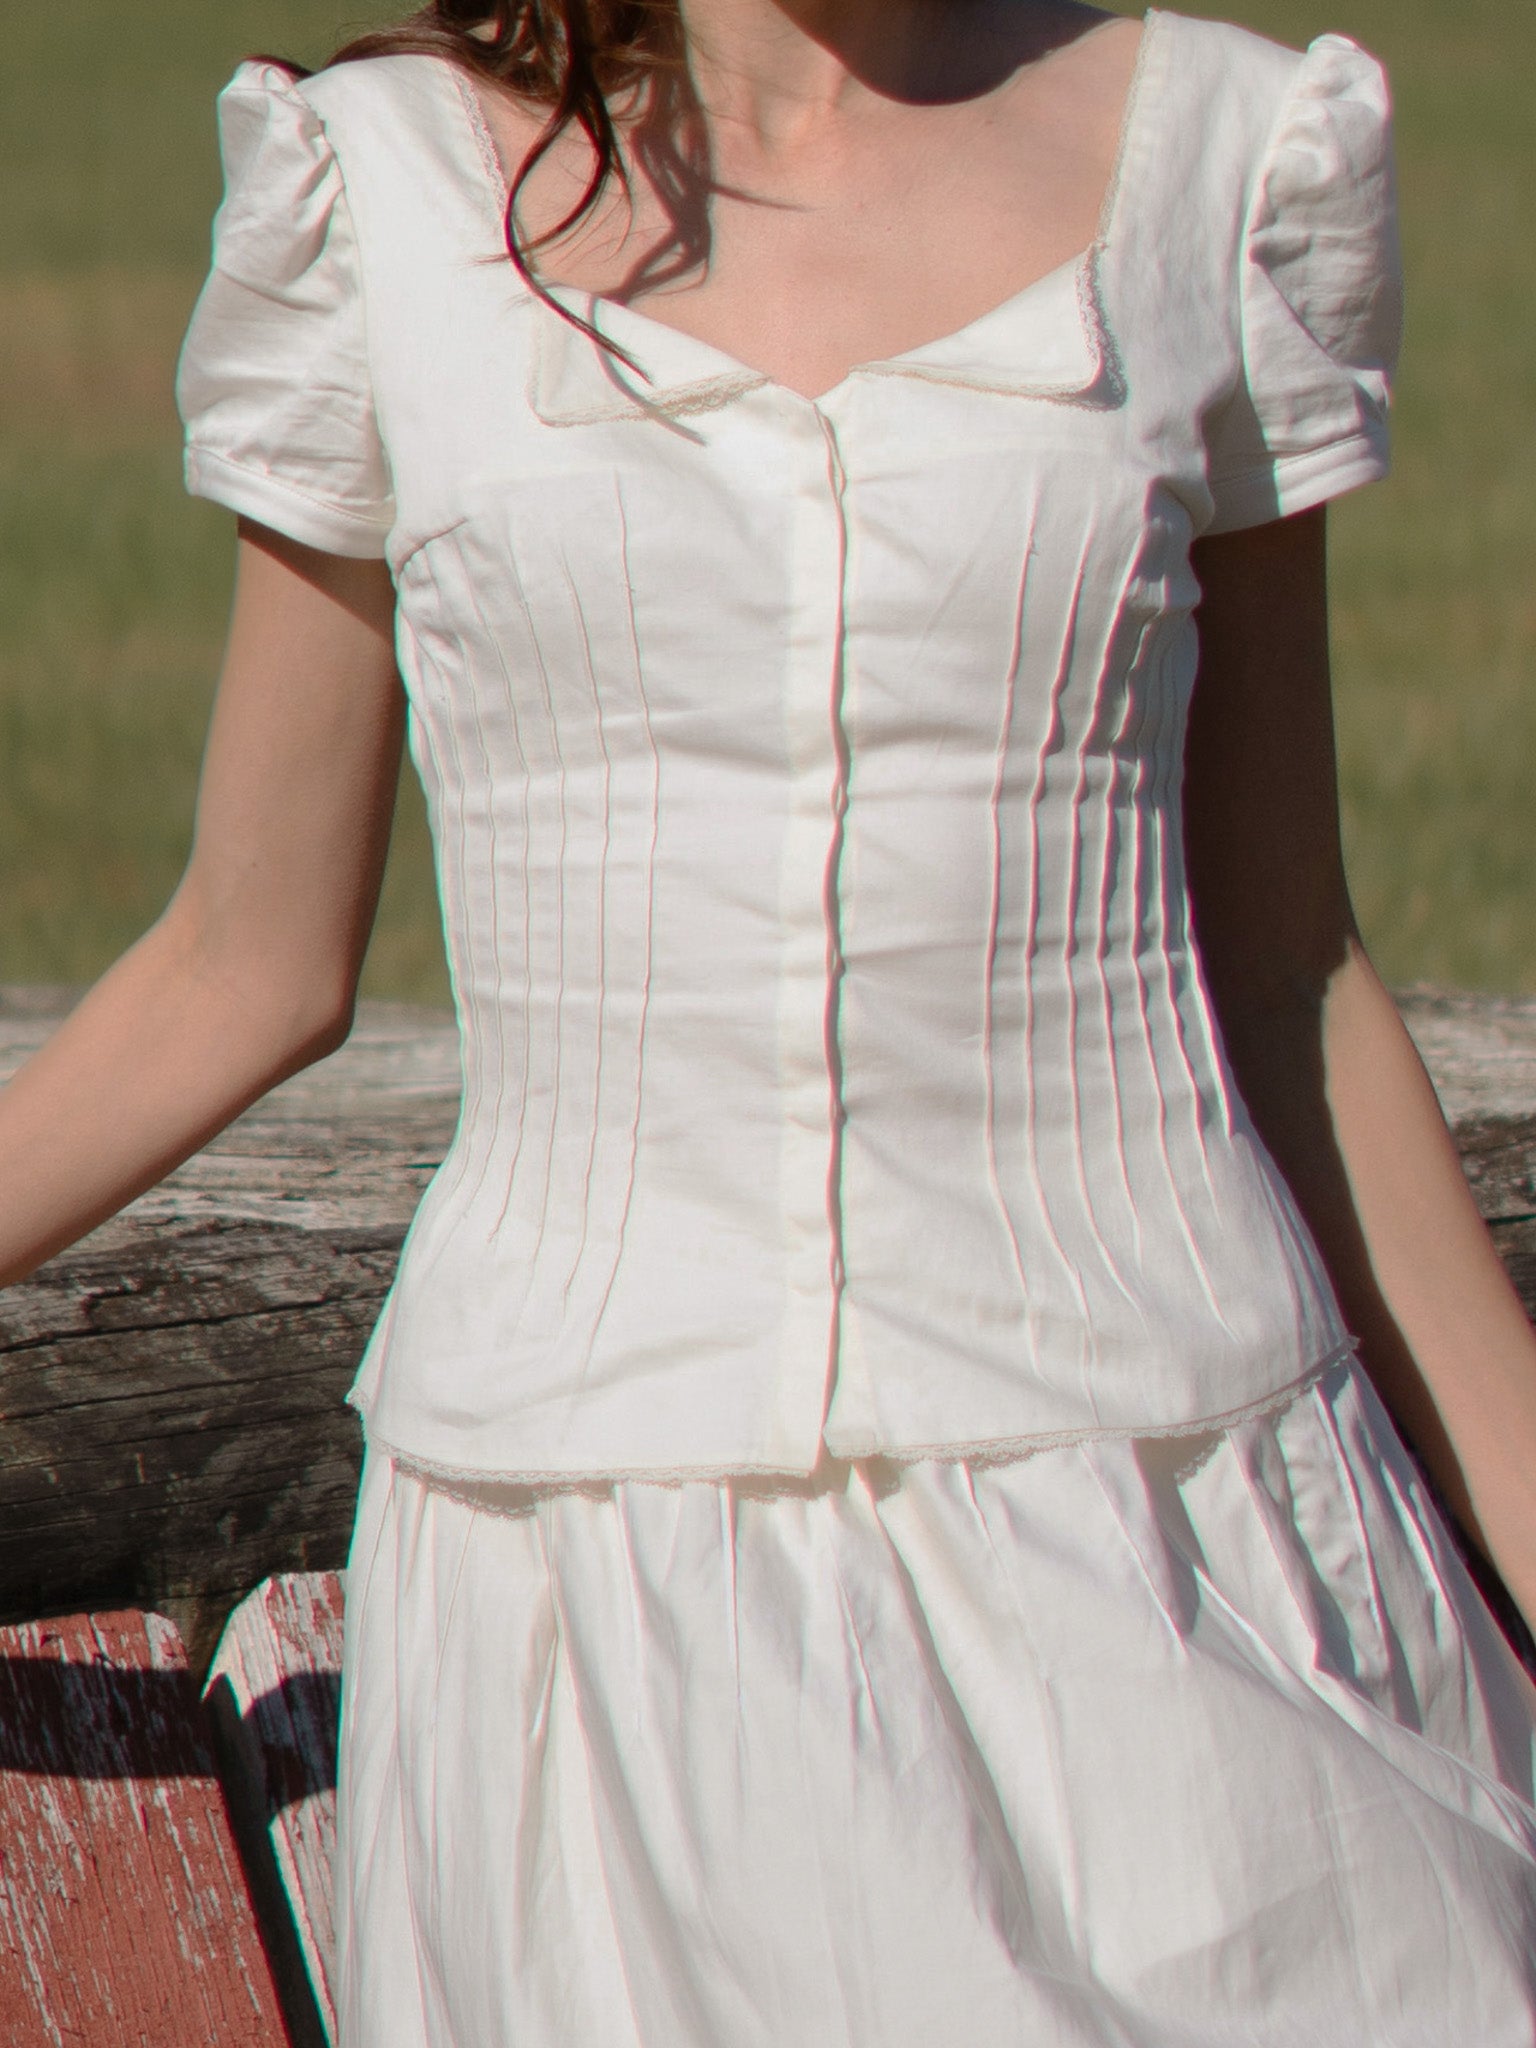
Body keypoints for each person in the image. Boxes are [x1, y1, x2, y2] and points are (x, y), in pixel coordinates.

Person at [5, 0, 1536, 2038]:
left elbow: (1292, 973)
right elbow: (248, 960)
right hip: (605, 1622)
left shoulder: (1222, 164)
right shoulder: (380, 191)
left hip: (1195, 1569)